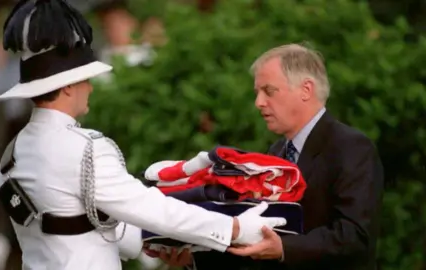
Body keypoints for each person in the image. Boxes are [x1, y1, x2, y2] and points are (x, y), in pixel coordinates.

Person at [0, 1, 287, 270]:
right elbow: (151, 208)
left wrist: (151, 241)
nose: (91, 88)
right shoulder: (85, 150)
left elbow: (71, 223)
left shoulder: (11, 155)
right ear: (68, 86)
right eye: (85, 80)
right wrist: (233, 228)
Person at [154, 44, 384, 270]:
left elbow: (355, 236)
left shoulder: (351, 147)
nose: (259, 102)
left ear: (306, 90)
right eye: (257, 93)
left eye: (269, 91)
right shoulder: (276, 152)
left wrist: (284, 248)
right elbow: (257, 241)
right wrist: (192, 260)